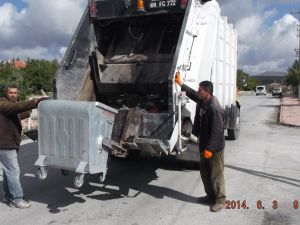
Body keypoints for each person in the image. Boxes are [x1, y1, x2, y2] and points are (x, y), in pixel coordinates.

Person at [175, 72, 226, 212]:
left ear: (207, 92)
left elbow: (218, 131)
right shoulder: (203, 101)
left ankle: (220, 200)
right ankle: (210, 196)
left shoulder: (214, 107)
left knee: (216, 174)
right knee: (204, 172)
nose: (198, 91)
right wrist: (181, 84)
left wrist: (210, 149)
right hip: (204, 144)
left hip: (214, 148)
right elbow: (191, 93)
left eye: (200, 89)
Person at [0, 83, 47, 209]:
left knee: (8, 171)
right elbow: (16, 108)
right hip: (5, 145)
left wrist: (32, 108)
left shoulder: (11, 107)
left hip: (10, 144)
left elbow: (21, 112)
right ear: (6, 93)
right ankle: (17, 199)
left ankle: (7, 195)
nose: (13, 95)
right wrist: (34, 102)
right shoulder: (3, 104)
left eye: (15, 93)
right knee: (14, 171)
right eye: (11, 93)